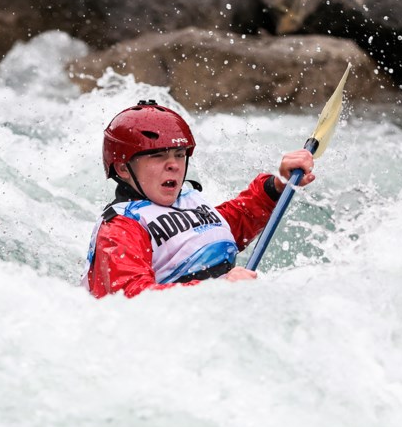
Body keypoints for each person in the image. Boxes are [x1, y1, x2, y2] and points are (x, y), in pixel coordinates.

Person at [84, 99, 315, 298]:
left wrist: (277, 185)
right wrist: (218, 290)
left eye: (179, 154)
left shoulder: (187, 201)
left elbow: (232, 222)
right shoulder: (120, 228)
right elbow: (132, 297)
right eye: (157, 156)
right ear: (123, 168)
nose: (174, 165)